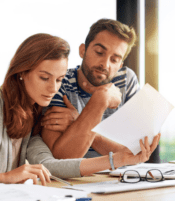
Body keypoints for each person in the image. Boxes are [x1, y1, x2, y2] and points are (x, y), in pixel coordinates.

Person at [0, 33, 160, 190]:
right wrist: (4, 178)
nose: (52, 88)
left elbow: (49, 165)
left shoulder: (34, 113)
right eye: (44, 77)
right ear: (22, 72)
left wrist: (118, 160)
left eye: (59, 79)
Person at [41, 19, 159, 159]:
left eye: (114, 60)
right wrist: (101, 99)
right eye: (99, 52)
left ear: (120, 65)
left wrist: (78, 123)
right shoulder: (60, 82)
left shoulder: (126, 80)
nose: (105, 64)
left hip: (120, 176)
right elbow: (62, 157)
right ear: (82, 50)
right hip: (77, 178)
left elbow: (135, 152)